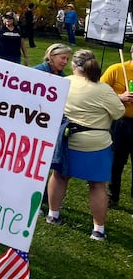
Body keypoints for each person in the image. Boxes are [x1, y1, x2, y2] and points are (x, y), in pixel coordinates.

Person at [46, 49, 124, 241]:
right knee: (97, 185)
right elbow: (119, 112)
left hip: (67, 140)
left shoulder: (64, 82)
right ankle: (98, 230)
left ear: (74, 64)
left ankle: (52, 215)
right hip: (96, 144)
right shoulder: (103, 89)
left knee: (59, 176)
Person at [34, 43, 71, 210]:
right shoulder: (37, 73)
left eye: (67, 59)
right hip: (36, 123)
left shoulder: (65, 78)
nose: (65, 62)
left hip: (52, 125)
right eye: (62, 58)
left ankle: (45, 196)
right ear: (51, 56)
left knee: (45, 162)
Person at [100, 43, 133, 207]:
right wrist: (120, 97)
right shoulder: (117, 69)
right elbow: (99, 92)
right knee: (116, 161)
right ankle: (113, 196)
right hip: (120, 122)